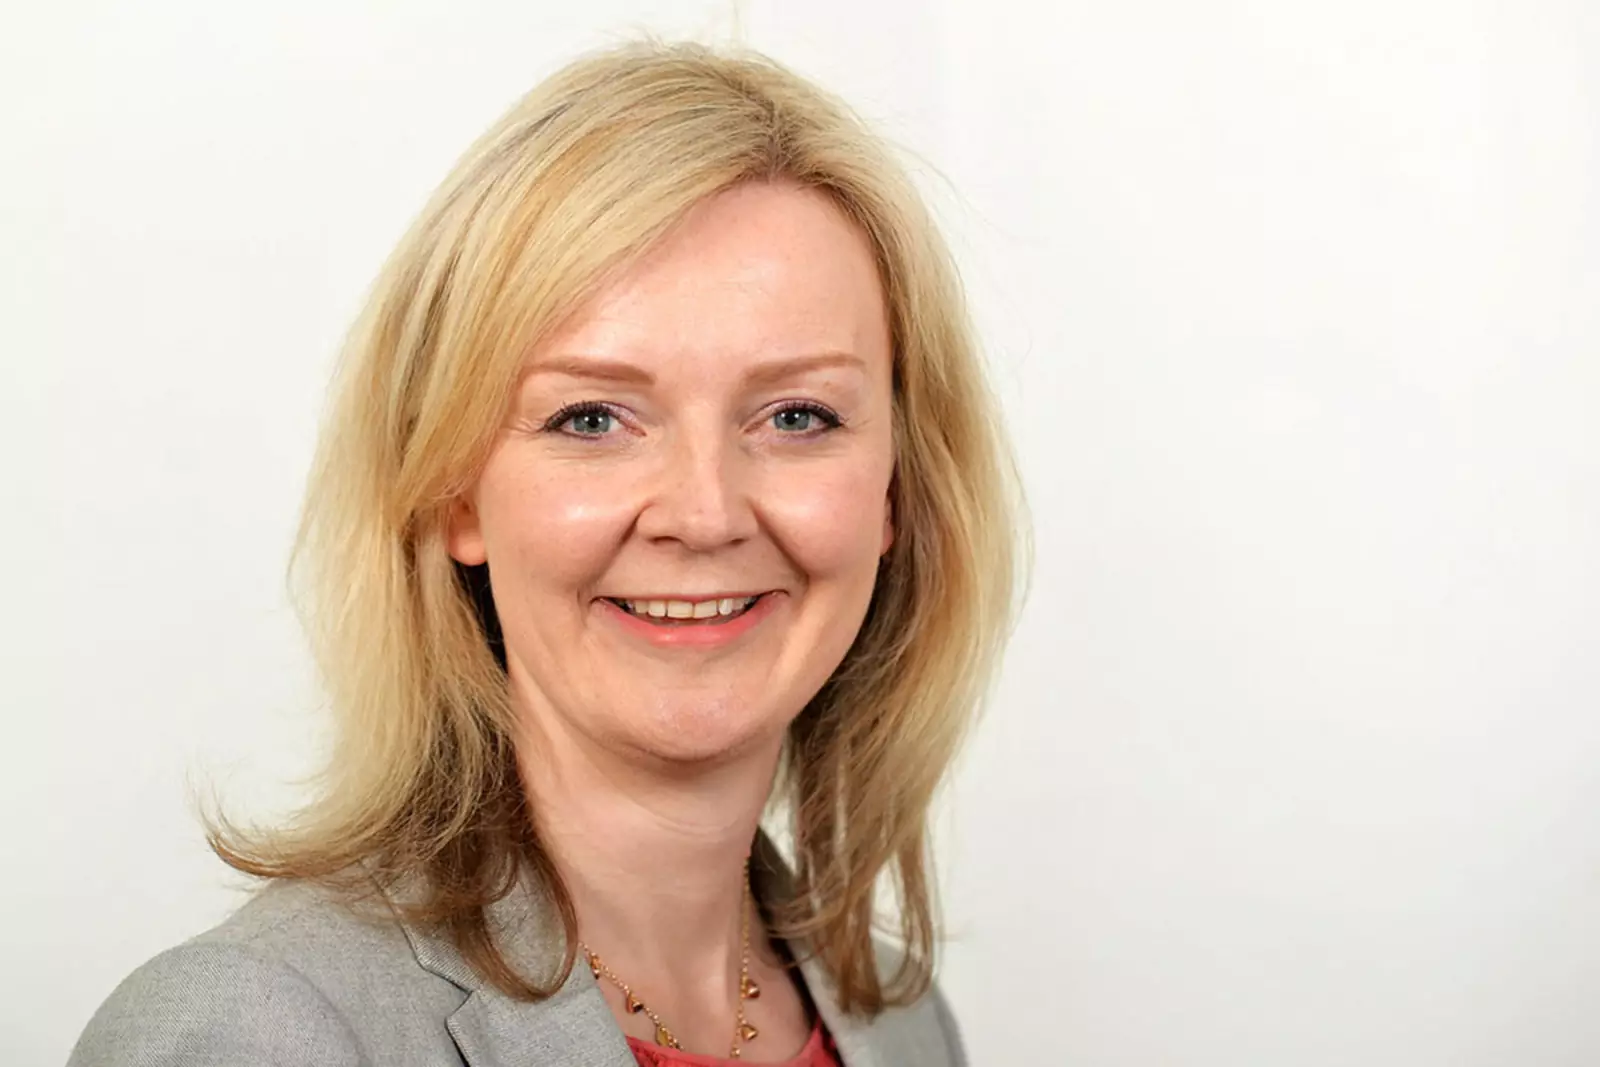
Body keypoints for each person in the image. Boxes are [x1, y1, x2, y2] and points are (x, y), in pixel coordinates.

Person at [68, 39, 1022, 1067]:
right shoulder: (254, 1029)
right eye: (592, 418)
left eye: (797, 414)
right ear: (452, 489)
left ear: (896, 488)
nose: (704, 514)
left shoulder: (905, 1028)